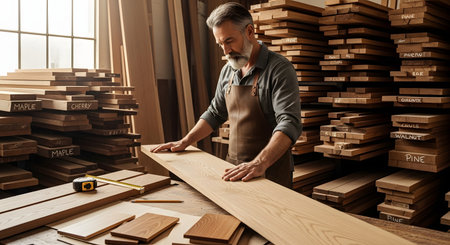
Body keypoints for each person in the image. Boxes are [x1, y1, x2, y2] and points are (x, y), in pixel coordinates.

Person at [151, 2, 301, 188]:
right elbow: (215, 113)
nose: (226, 51)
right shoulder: (228, 71)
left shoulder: (279, 69)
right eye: (220, 44)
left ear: (249, 32)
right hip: (234, 169)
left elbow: (289, 123)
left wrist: (259, 163)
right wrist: (185, 141)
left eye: (229, 41)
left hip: (270, 171)